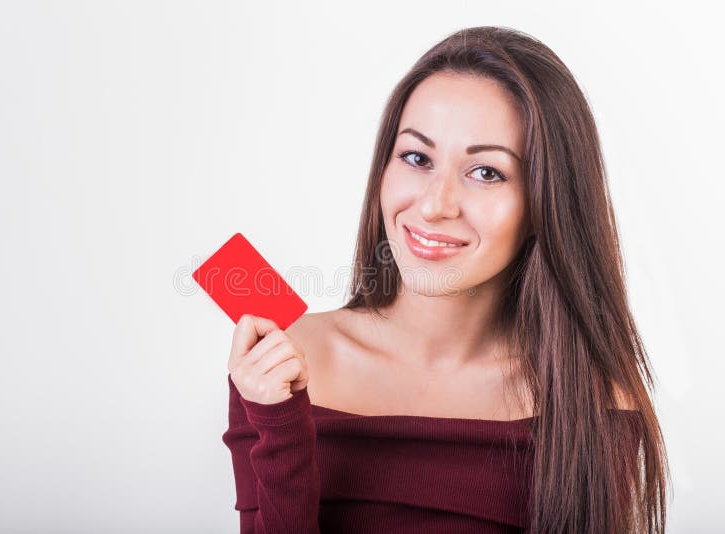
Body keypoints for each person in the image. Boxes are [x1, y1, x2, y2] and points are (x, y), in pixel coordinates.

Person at [223, 25, 670, 533]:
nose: (436, 205)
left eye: (486, 172)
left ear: (546, 204)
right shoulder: (279, 362)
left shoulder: (593, 401)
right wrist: (280, 427)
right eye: (417, 158)